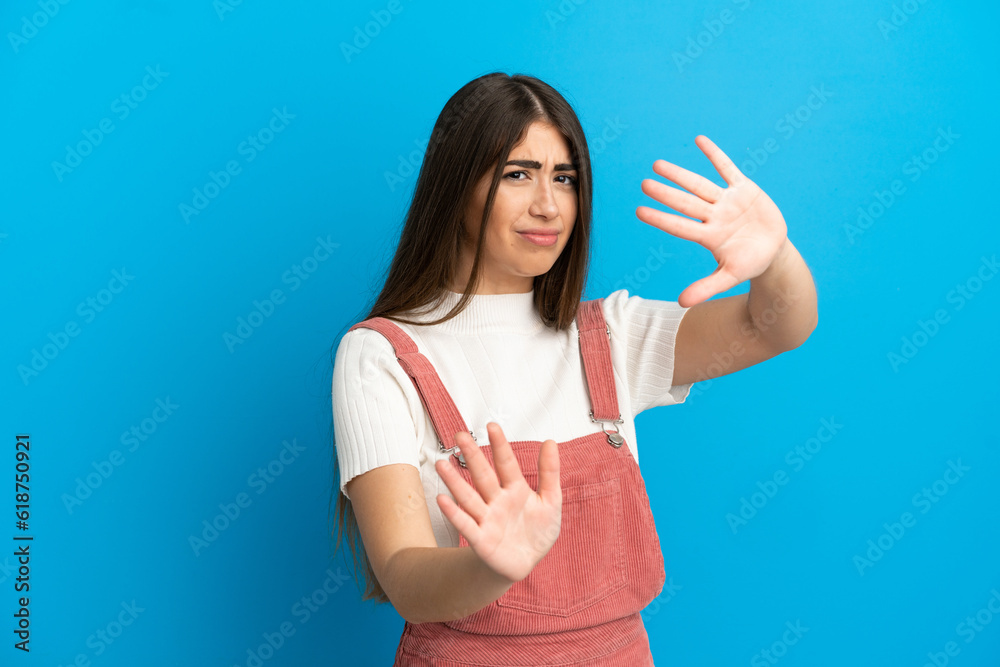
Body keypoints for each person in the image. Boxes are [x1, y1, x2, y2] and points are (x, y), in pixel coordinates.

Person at [329, 71, 817, 665]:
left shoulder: (609, 335)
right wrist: (489, 568)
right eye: (518, 175)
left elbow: (777, 326)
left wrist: (776, 257)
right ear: (456, 187)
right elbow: (406, 577)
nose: (548, 205)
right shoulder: (380, 354)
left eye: (565, 178)